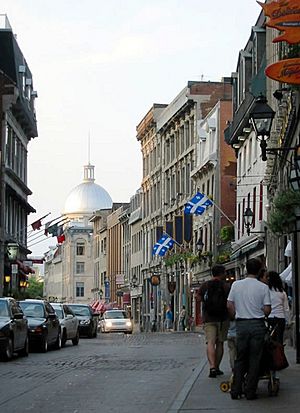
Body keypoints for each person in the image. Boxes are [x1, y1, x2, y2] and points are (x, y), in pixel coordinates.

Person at [227, 258, 271, 400]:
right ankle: (250, 391)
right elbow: (267, 309)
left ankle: (236, 389)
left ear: (245, 269)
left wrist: (236, 314)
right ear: (259, 271)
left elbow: (229, 304)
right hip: (257, 324)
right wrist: (261, 311)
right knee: (254, 358)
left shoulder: (236, 285)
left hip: (242, 325)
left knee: (240, 358)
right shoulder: (263, 287)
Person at [199, 264, 230, 378]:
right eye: (225, 272)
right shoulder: (226, 286)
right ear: (221, 273)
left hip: (209, 318)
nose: (226, 274)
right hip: (223, 318)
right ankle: (217, 367)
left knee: (210, 342)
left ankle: (211, 367)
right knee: (220, 343)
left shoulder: (205, 285)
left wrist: (206, 303)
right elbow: (230, 302)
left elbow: (198, 298)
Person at [267, 270, 290, 344]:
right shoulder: (282, 293)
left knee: (270, 340)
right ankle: (280, 354)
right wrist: (288, 321)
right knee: (279, 340)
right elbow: (286, 308)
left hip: (269, 318)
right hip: (280, 318)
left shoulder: (266, 292)